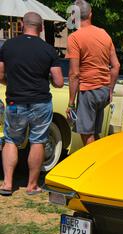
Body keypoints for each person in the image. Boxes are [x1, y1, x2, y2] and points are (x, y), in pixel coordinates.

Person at [0, 12, 64, 196]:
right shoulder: (49, 50)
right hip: (41, 102)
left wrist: (11, 84)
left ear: (21, 24)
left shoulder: (8, 46)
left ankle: (7, 183)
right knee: (38, 141)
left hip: (15, 101)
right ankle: (32, 185)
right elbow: (59, 82)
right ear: (41, 27)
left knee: (11, 139)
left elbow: (0, 74)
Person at [66, 0, 120, 146]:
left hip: (88, 91)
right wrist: (110, 89)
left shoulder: (74, 38)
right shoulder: (104, 34)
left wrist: (71, 103)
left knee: (86, 134)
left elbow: (74, 74)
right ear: (90, 14)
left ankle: (95, 165)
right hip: (103, 90)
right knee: (95, 132)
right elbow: (116, 66)